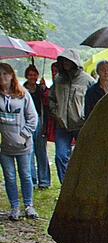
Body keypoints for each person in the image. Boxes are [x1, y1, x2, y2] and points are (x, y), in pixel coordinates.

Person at [0, 62, 39, 220]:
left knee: (26, 175)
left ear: (11, 76)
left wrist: (23, 135)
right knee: (9, 176)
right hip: (5, 147)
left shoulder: (23, 94)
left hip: (23, 145)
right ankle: (14, 207)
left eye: (5, 74)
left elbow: (33, 118)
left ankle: (29, 206)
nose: (2, 77)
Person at [49, 49, 94, 184]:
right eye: (63, 60)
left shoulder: (87, 80)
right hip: (62, 125)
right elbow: (52, 98)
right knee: (60, 156)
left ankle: (83, 185)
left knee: (84, 157)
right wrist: (55, 111)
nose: (65, 63)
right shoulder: (58, 80)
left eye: (68, 60)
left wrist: (87, 118)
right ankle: (66, 187)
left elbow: (94, 100)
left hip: (81, 125)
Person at [22, 64, 51, 190]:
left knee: (41, 152)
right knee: (29, 152)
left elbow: (48, 103)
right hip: (26, 122)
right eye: (30, 75)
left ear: (37, 76)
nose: (32, 77)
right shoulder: (21, 90)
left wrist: (45, 90)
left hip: (40, 120)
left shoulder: (41, 89)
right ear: (26, 76)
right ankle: (32, 181)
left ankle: (44, 181)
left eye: (34, 75)